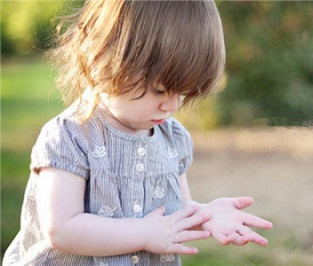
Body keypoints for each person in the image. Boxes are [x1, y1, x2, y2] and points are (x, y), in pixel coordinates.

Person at [3, 0, 273, 265]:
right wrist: (143, 233)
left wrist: (205, 215)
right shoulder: (71, 136)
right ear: (105, 57)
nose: (172, 105)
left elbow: (172, 215)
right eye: (159, 90)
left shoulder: (172, 138)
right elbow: (61, 229)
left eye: (183, 92)